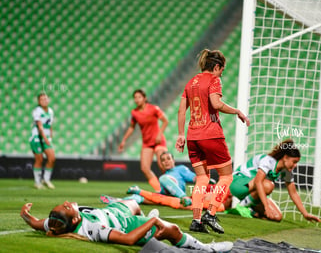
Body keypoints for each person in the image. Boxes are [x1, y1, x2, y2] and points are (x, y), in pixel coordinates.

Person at [175, 49, 250, 234]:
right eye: (221, 70)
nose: (221, 74)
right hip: (211, 135)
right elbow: (216, 104)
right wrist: (237, 111)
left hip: (192, 136)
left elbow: (181, 111)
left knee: (202, 178)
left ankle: (196, 220)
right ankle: (211, 212)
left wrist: (180, 134)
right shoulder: (214, 80)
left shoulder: (191, 82)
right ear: (216, 66)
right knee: (226, 176)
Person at [20, 199, 233, 252]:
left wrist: (25, 214)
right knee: (173, 230)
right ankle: (208, 249)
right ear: (75, 220)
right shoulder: (93, 230)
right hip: (127, 224)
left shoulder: (56, 223)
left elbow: (36, 223)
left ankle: (146, 217)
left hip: (113, 211)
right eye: (68, 206)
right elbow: (129, 240)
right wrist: (153, 221)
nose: (68, 203)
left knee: (132, 201)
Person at [100, 151, 231, 213]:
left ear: (173, 160)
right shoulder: (165, 175)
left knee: (162, 180)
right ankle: (119, 201)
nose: (166, 161)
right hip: (167, 197)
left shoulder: (180, 169)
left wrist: (208, 182)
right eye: (163, 160)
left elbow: (195, 178)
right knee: (139, 197)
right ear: (161, 164)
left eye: (168, 158)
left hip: (181, 198)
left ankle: (184, 197)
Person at [229, 139, 321, 223]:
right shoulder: (268, 161)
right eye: (294, 162)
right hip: (238, 183)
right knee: (268, 185)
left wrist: (305, 214)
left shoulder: (286, 171)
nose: (295, 165)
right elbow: (258, 182)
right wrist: (266, 206)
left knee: (276, 217)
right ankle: (242, 206)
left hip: (251, 190)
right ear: (285, 158)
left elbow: (293, 193)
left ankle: (243, 210)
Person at [118, 89, 168, 193]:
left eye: (139, 97)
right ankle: (160, 190)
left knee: (162, 165)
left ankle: (172, 187)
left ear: (144, 98)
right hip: (147, 143)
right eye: (135, 97)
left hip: (158, 141)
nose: (136, 99)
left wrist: (159, 134)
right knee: (145, 168)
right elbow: (132, 127)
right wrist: (124, 140)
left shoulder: (153, 109)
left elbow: (165, 121)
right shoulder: (134, 113)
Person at [29, 93, 56, 189]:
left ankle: (46, 179)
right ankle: (37, 182)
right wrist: (45, 138)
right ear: (39, 102)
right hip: (36, 137)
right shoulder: (37, 111)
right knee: (39, 159)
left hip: (46, 137)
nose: (44, 100)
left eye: (46, 99)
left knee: (52, 158)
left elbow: (50, 125)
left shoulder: (51, 111)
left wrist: (50, 137)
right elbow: (40, 127)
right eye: (42, 99)